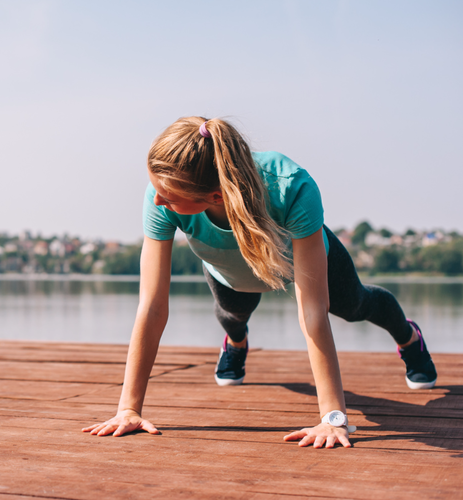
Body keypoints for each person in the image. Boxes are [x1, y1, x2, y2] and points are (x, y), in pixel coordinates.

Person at [82, 116, 437, 449]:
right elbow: (153, 305)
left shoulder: (291, 187)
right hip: (229, 271)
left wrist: (333, 418)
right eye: (155, 189)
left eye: (169, 198)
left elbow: (313, 310)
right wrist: (128, 408)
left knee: (356, 305)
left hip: (299, 261)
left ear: (215, 197)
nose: (157, 200)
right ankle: (236, 344)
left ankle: (409, 337)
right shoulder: (160, 195)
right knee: (232, 314)